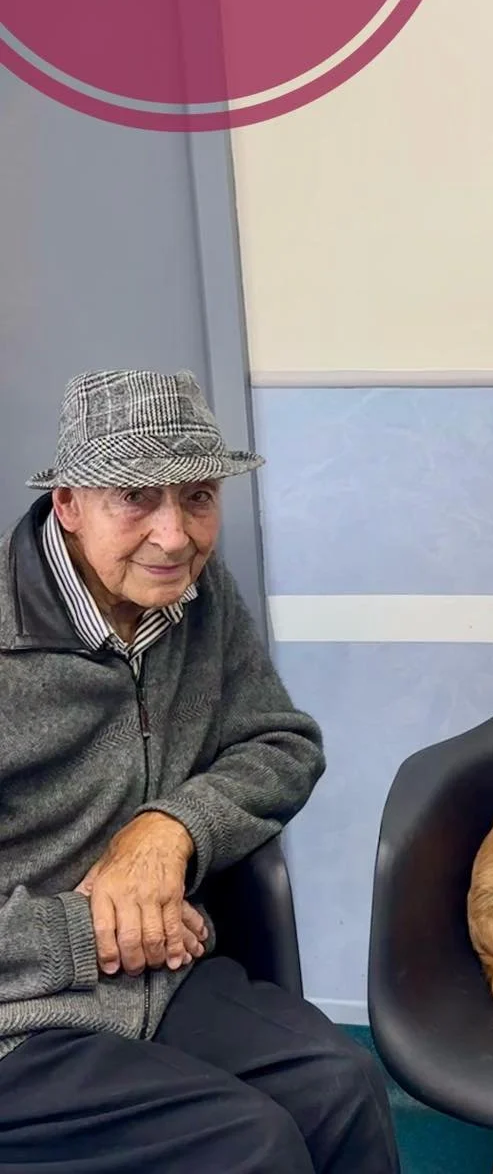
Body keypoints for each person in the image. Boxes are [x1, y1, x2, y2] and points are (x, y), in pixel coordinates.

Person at [0, 370, 399, 1174]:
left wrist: (171, 828)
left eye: (197, 497)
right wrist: (98, 932)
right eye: (136, 498)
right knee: (250, 1145)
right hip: (20, 1014)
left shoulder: (192, 594)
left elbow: (281, 743)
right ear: (69, 505)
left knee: (343, 1081)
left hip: (158, 978)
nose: (175, 535)